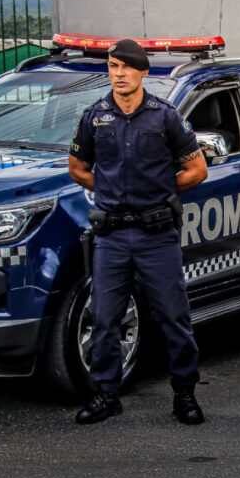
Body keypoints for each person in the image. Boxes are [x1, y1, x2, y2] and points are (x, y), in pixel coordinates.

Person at [68, 39, 208, 425]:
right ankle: (106, 394)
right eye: (113, 66)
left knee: (173, 316)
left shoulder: (164, 116)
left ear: (143, 72)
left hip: (156, 234)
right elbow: (77, 168)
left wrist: (160, 192)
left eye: (127, 67)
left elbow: (197, 170)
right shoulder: (95, 115)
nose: (119, 74)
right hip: (111, 236)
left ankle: (184, 395)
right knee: (105, 317)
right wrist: (110, 190)